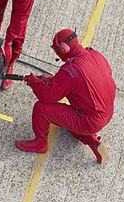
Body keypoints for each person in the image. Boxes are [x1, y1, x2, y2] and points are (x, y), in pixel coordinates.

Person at [15, 28, 116, 163]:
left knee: (41, 109)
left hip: (89, 120)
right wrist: (51, 80)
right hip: (107, 113)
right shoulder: (96, 55)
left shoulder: (71, 71)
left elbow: (47, 96)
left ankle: (40, 143)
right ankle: (90, 139)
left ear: (62, 50)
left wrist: (34, 83)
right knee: (68, 119)